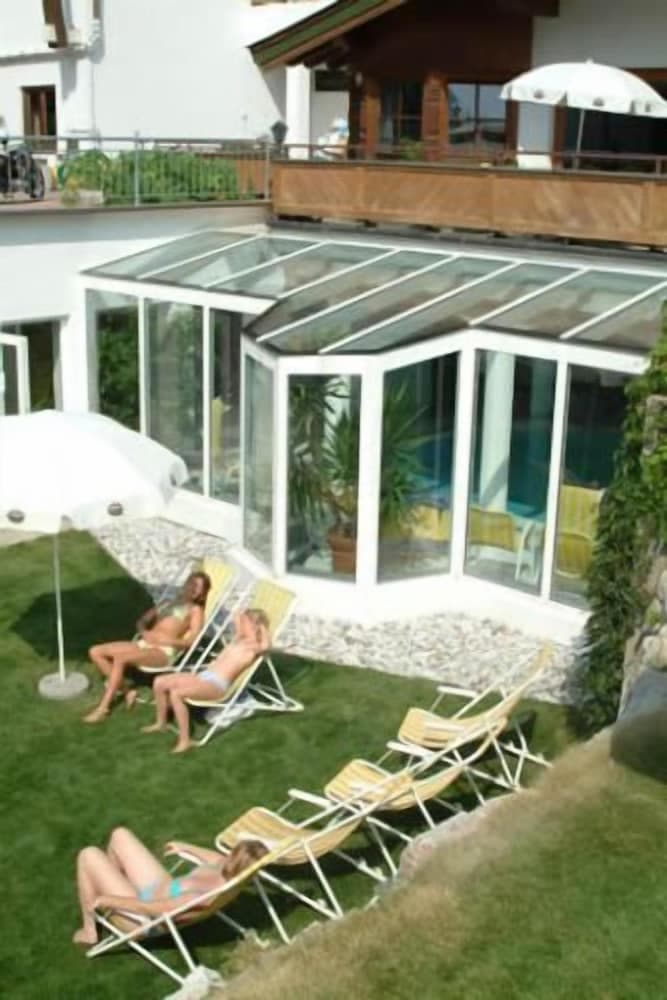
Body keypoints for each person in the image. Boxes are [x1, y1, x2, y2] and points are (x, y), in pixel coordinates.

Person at [73, 825, 268, 946]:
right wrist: (185, 847)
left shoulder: (202, 896)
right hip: (157, 889)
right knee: (119, 835)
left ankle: (90, 931)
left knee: (89, 855)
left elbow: (150, 909)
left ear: (234, 856)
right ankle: (110, 881)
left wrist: (109, 900)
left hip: (141, 920)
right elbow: (214, 858)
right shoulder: (230, 874)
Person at [83, 572, 212, 724]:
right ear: (186, 583)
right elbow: (142, 621)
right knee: (95, 651)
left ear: (201, 595)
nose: (193, 588)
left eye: (197, 587)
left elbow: (191, 642)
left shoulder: (196, 611)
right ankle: (127, 691)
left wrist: (167, 640)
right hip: (145, 643)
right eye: (192, 583)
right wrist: (144, 632)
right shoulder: (170, 601)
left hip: (163, 651)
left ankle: (103, 708)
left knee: (121, 658)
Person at [142, 608, 270, 753]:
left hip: (216, 685)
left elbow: (266, 647)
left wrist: (262, 628)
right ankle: (161, 723)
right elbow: (239, 627)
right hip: (204, 676)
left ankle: (185, 740)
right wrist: (239, 617)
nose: (241, 624)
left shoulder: (254, 647)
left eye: (245, 622)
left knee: (177, 694)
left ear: (255, 625)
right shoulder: (239, 640)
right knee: (159, 682)